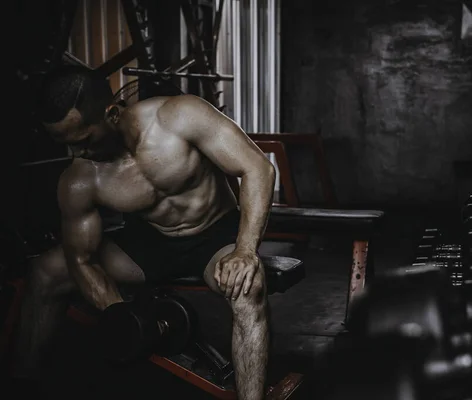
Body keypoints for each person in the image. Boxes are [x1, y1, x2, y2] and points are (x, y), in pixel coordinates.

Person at [11, 65, 275, 400]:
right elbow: (82, 258)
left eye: (83, 140)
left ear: (111, 114)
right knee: (47, 269)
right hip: (149, 244)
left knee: (248, 288)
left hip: (214, 237)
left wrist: (245, 250)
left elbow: (257, 168)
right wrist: (120, 315)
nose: (75, 153)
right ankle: (21, 382)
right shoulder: (80, 178)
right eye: (64, 144)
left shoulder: (180, 116)